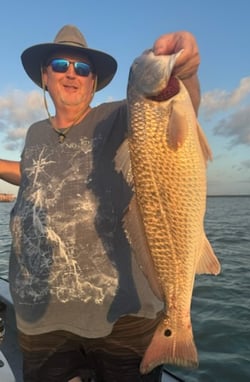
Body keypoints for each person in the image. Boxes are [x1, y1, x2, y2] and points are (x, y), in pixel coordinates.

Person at [0, 25, 200, 382]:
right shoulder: (33, 133)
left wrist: (186, 69)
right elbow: (35, 173)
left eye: (82, 68)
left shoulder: (118, 117)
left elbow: (175, 117)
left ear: (94, 81)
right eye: (60, 64)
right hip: (40, 320)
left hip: (122, 321)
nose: (71, 74)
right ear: (45, 76)